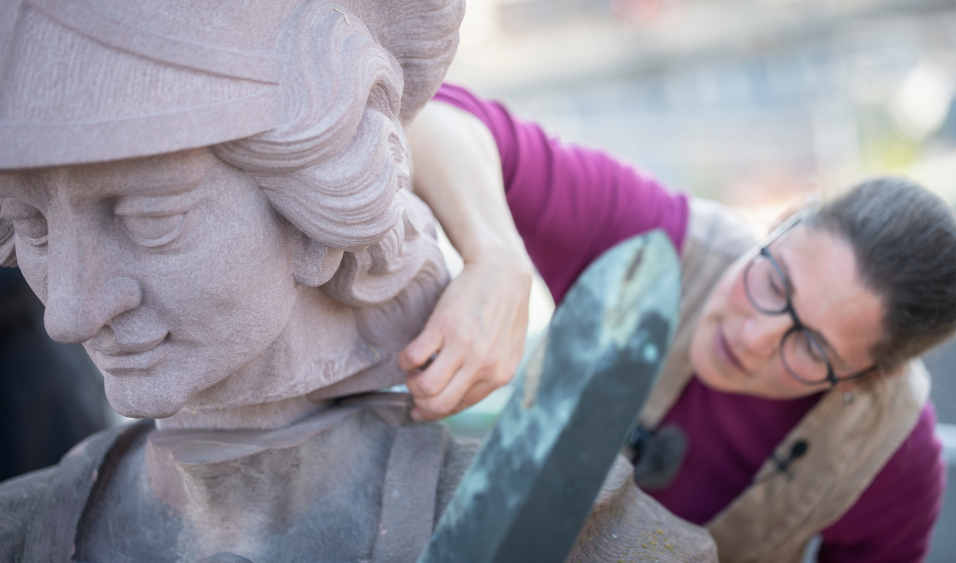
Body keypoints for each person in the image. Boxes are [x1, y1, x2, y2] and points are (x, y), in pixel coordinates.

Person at [0, 2, 716, 561]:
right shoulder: (17, 531)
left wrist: (497, 252)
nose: (67, 309)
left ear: (317, 213)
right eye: (33, 227)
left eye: (151, 219)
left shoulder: (599, 543)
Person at [400, 83, 956, 562]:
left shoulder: (893, 460)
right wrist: (498, 256)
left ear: (860, 380)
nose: (752, 338)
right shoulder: (663, 239)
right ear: (779, 223)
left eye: (808, 345)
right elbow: (431, 112)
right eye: (774, 280)